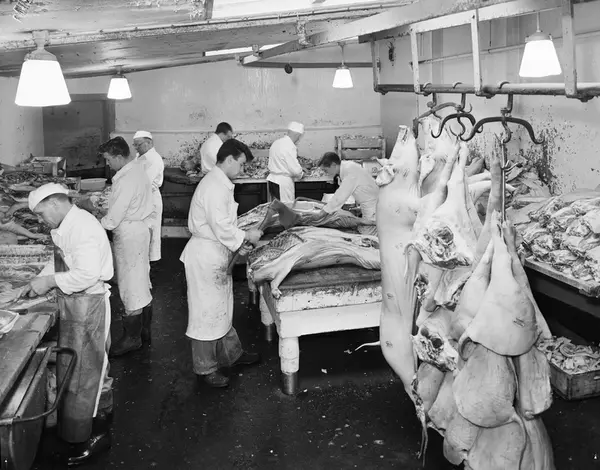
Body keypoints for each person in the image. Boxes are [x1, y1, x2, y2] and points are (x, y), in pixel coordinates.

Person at [23, 183, 114, 466]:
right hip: (76, 302)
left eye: (41, 214)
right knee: (76, 369)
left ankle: (95, 435)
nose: (41, 221)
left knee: (87, 374)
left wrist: (49, 281)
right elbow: (64, 263)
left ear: (55, 204)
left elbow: (86, 274)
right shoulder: (66, 225)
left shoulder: (82, 228)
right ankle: (81, 428)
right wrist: (41, 280)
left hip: (88, 303)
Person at [180, 138, 263, 388]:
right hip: (205, 255)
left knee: (222, 306)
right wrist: (247, 236)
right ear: (228, 160)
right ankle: (205, 368)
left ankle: (231, 354)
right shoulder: (214, 186)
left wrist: (239, 242)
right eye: (241, 164)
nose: (243, 169)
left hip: (216, 251)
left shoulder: (220, 182)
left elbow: (224, 226)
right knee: (206, 312)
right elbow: (221, 226)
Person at [98, 136, 154, 357]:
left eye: (108, 159)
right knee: (141, 280)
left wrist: (97, 222)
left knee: (130, 284)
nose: (107, 164)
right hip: (138, 230)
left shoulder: (126, 179)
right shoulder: (136, 170)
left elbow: (113, 218)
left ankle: (132, 338)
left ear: (119, 156)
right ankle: (144, 331)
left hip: (130, 234)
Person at [318, 152, 379, 236]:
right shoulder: (347, 166)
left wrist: (324, 212)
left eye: (325, 170)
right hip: (369, 203)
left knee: (368, 236)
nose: (325, 173)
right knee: (365, 230)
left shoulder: (350, 170)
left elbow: (340, 195)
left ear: (333, 165)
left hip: (372, 206)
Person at [132, 130, 165, 264]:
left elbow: (144, 182)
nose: (136, 148)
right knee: (142, 234)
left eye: (138, 145)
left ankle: (149, 268)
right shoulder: (140, 156)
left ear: (149, 143)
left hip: (150, 199)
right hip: (141, 198)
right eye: (134, 145)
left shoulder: (154, 159)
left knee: (150, 234)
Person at [266, 122, 305, 203]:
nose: (298, 139)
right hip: (283, 183)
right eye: (299, 136)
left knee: (274, 206)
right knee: (285, 207)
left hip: (272, 180)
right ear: (297, 135)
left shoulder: (276, 143)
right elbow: (295, 170)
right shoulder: (290, 146)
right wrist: (301, 174)